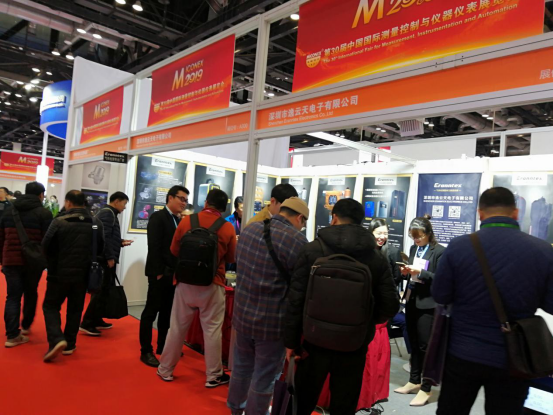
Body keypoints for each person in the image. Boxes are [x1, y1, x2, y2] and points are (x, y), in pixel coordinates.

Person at [433, 187, 553, 415]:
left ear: (480, 213)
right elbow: (551, 304)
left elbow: (441, 296)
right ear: (516, 213)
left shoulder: (458, 246)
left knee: (452, 410)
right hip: (515, 357)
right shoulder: (543, 250)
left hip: (463, 352)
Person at [284, 199, 399, 415]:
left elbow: (295, 299)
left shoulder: (313, 250)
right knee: (344, 405)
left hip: (313, 340)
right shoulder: (375, 257)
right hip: (353, 344)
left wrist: (290, 342)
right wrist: (366, 322)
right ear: (361, 222)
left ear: (334, 218)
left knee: (302, 402)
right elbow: (390, 305)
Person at [228, 197, 309, 415]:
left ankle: (236, 409)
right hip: (272, 323)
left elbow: (238, 264)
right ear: (299, 218)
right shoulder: (298, 242)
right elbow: (299, 287)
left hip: (242, 315)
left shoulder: (250, 229)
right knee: (264, 377)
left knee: (241, 368)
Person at [158, 189, 236, 387]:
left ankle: (165, 369)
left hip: (185, 282)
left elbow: (174, 250)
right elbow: (231, 258)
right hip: (212, 284)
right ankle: (213, 375)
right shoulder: (227, 228)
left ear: (206, 202)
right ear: (223, 208)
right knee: (212, 331)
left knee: (177, 327)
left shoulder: (186, 221)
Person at [41, 190, 104, 362]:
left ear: (68, 202)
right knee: (75, 309)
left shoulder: (59, 221)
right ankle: (69, 344)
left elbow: (45, 246)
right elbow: (100, 248)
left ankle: (56, 339)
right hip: (83, 275)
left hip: (58, 273)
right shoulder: (96, 222)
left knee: (51, 306)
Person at [394, 215, 445, 406]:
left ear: (429, 234)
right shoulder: (414, 249)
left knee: (426, 346)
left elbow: (441, 279)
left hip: (429, 304)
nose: (416, 240)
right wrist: (406, 273)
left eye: (419, 236)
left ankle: (426, 387)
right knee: (413, 342)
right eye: (413, 236)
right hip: (412, 300)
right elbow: (413, 275)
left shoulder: (439, 252)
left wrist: (421, 273)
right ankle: (414, 380)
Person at [140, 185, 189, 367]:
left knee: (167, 313)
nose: (184, 203)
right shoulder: (158, 217)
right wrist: (159, 272)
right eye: (181, 199)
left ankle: (163, 346)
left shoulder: (178, 219)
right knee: (151, 312)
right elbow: (154, 246)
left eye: (186, 200)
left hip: (173, 274)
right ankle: (146, 350)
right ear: (170, 198)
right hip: (159, 273)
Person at [0, 181, 53, 347]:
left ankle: (12, 335)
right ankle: (26, 325)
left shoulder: (9, 211)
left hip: (11, 259)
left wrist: (2, 259)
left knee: (12, 296)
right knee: (31, 292)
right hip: (33, 261)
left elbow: (1, 237)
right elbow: (48, 239)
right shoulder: (44, 213)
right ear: (41, 195)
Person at [80, 191, 134, 335]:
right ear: (117, 201)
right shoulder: (107, 213)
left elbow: (108, 236)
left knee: (103, 291)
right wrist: (110, 256)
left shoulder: (109, 213)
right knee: (100, 291)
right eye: (124, 203)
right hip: (104, 260)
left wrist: (120, 242)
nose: (124, 207)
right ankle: (87, 322)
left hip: (104, 258)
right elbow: (104, 237)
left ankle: (96, 319)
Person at [369, 218, 411, 357]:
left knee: (381, 342)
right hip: (366, 301)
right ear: (371, 232)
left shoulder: (393, 252)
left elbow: (396, 278)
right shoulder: (365, 250)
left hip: (385, 302)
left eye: (385, 233)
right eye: (379, 233)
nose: (382, 237)